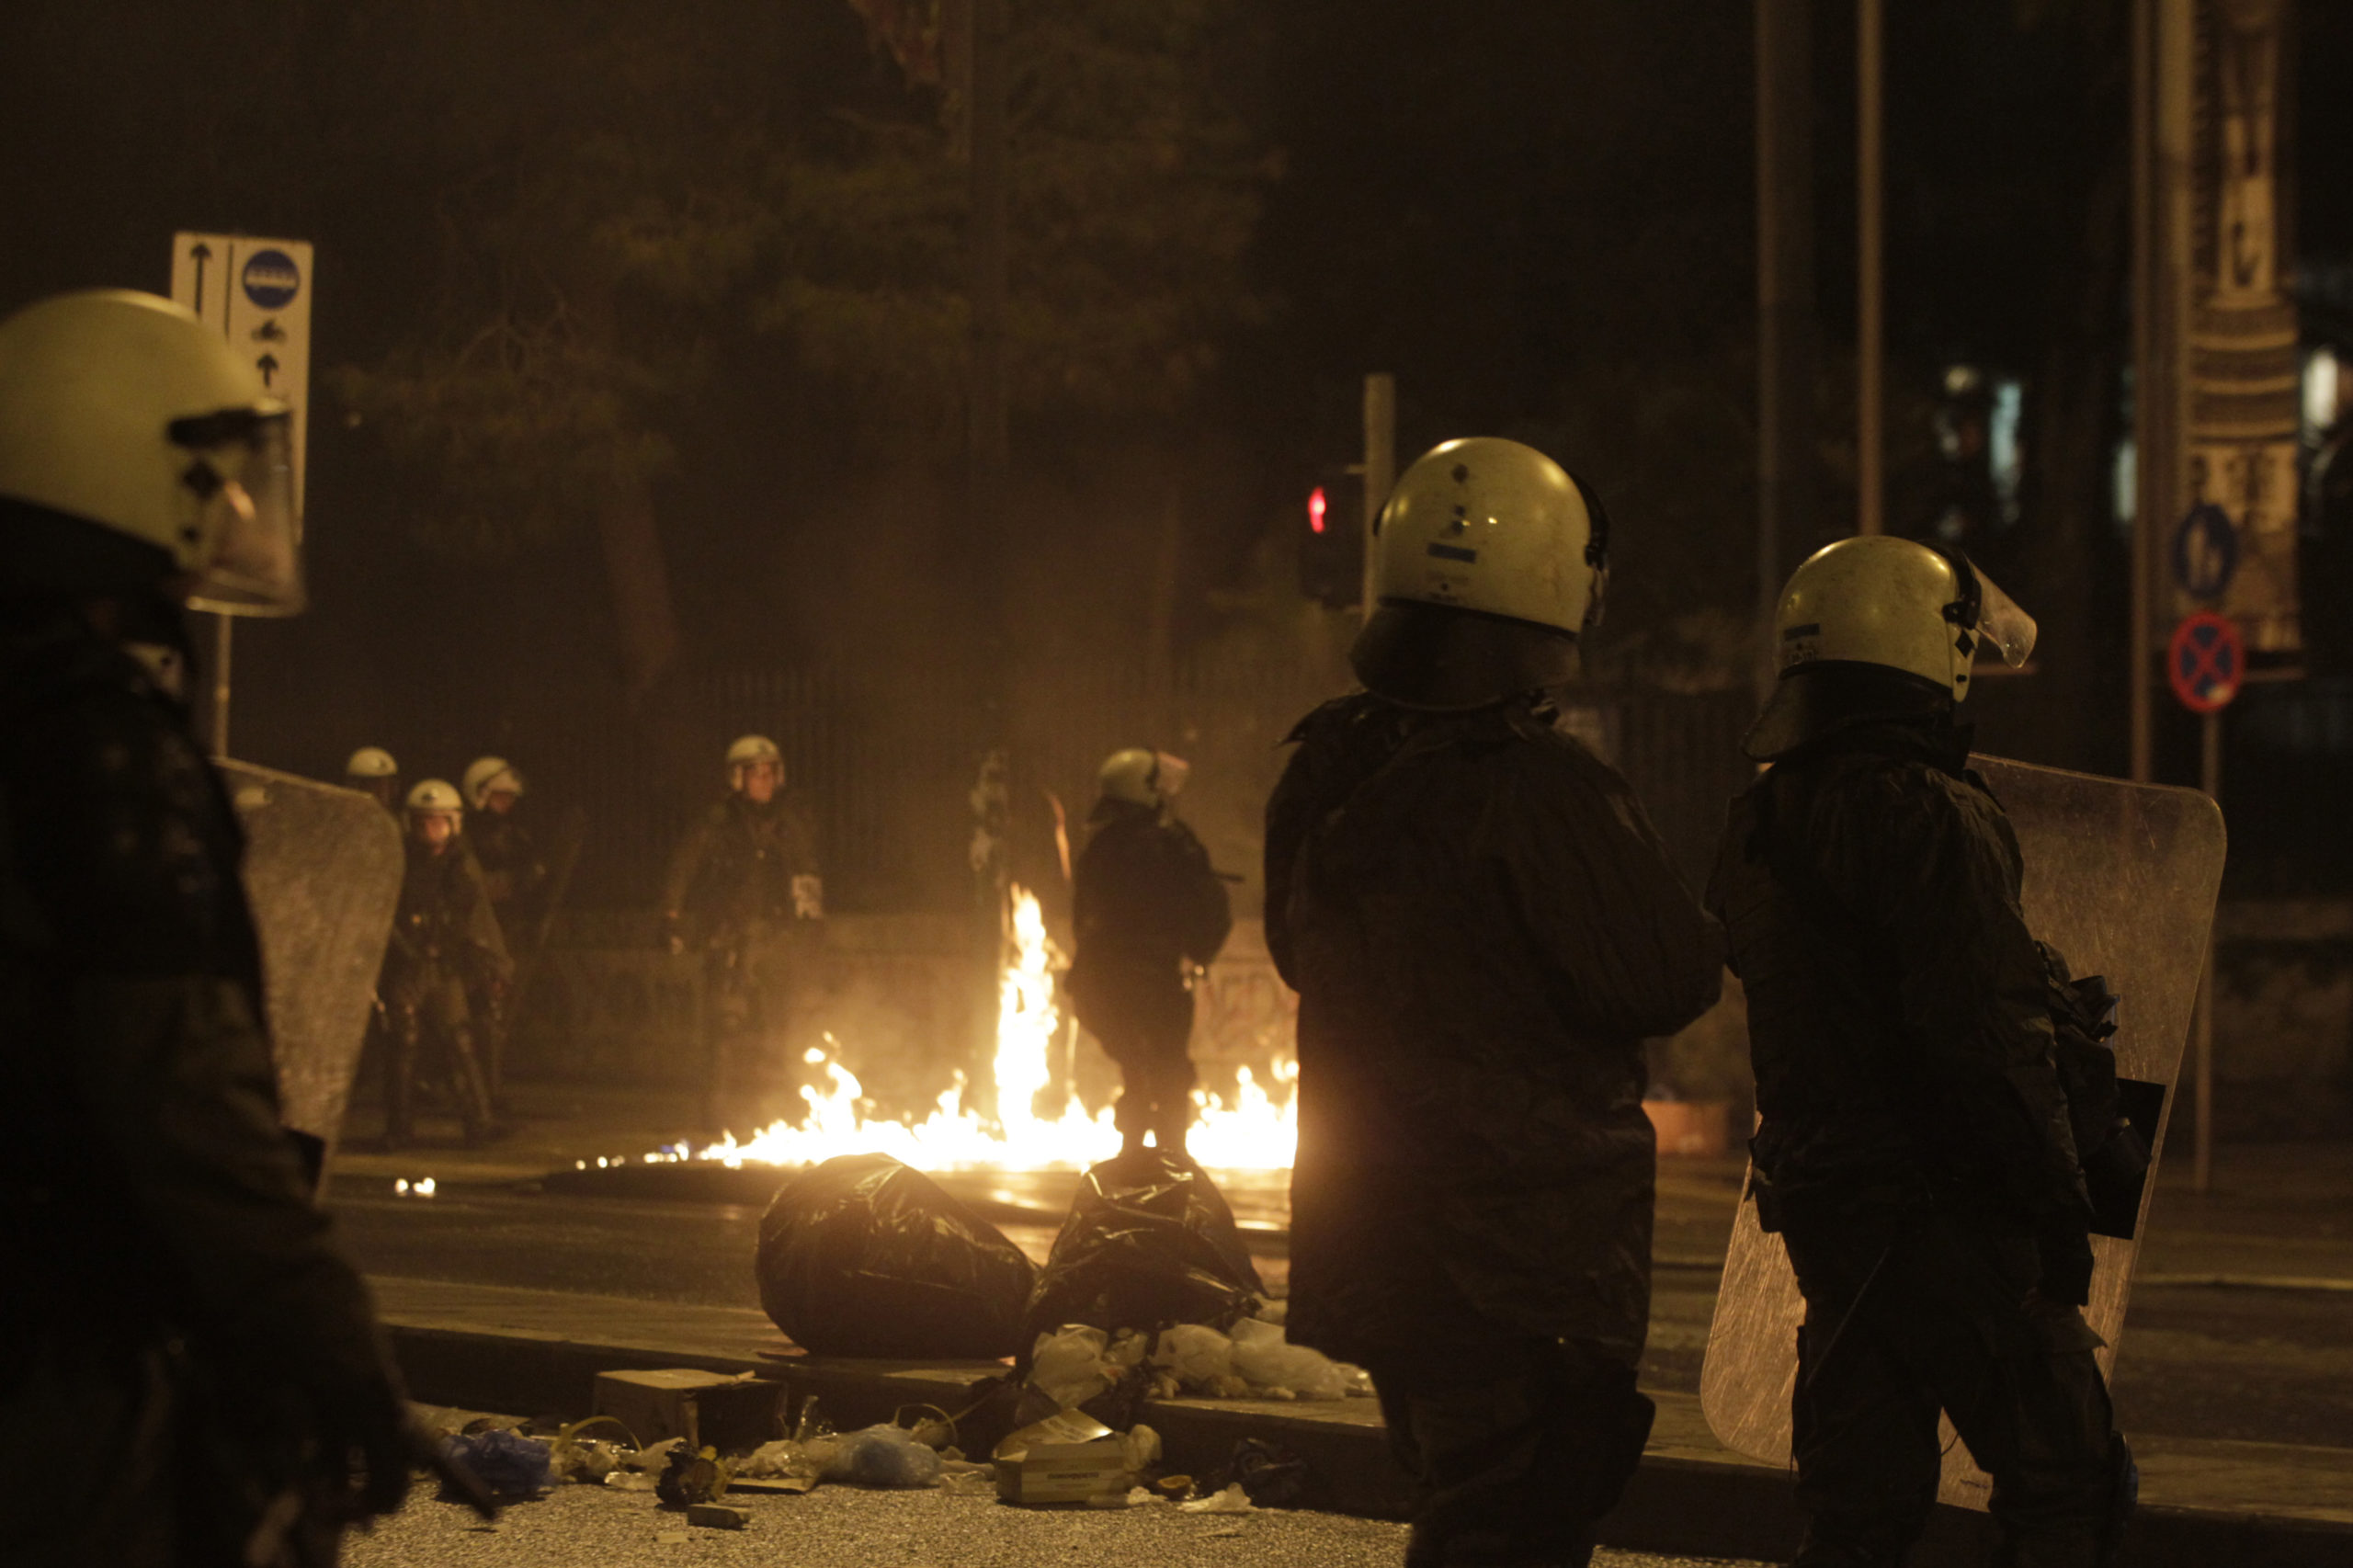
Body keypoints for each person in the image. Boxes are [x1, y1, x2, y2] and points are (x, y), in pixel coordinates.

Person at [0, 290, 413, 1562]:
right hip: (57, 1358)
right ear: (117, 465)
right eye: (213, 469)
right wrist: (328, 1341)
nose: (238, 507)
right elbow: (185, 1100)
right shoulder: (97, 752)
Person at [1265, 437, 1722, 1568]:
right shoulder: (1542, 789)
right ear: (1556, 587)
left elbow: (1294, 950)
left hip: (1372, 1244)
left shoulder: (1325, 762)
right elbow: (1670, 974)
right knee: (1511, 1522)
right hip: (1523, 1261)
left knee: (1459, 1503)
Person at [1706, 535, 2131, 1567]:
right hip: (1949, 1206)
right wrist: (2056, 1219)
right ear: (1921, 647)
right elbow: (1986, 1041)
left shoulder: (1763, 816)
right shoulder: (1929, 811)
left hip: (1829, 1206)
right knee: (2067, 1479)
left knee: (1858, 1503)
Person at [1066, 747, 1232, 1159]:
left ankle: (1133, 1153)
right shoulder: (1174, 844)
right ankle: (1172, 1158)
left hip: (1102, 980)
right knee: (1169, 1070)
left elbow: (1082, 917)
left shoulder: (1101, 848)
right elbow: (1211, 908)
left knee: (1136, 1066)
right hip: (1156, 978)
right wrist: (1198, 955)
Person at [662, 734, 824, 1135]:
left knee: (782, 1027)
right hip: (729, 938)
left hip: (777, 938)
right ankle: (714, 1117)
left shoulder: (788, 823)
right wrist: (672, 916)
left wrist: (811, 926)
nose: (765, 782)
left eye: (770, 774)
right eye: (757, 775)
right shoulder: (718, 821)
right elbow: (683, 867)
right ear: (738, 778)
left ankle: (780, 1112)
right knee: (724, 1029)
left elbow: (807, 874)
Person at [380, 778, 510, 1150]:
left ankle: (479, 1122)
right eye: (422, 821)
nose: (429, 828)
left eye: (437, 821)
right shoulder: (400, 862)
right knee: (402, 1044)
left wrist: (492, 965)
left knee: (461, 1041)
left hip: (445, 967)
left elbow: (476, 918)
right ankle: (399, 1128)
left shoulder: (461, 866)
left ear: (453, 823)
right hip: (408, 966)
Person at [460, 754, 544, 1096]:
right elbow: (474, 888)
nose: (506, 803)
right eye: (499, 796)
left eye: (510, 797)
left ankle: (488, 1089)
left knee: (497, 1016)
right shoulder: (467, 835)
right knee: (481, 1015)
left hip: (509, 932)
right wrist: (514, 881)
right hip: (476, 935)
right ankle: (482, 1093)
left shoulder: (515, 834)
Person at [345, 744, 400, 812]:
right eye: (374, 785)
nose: (383, 793)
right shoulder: (344, 817)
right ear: (354, 787)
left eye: (388, 785)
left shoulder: (395, 820)